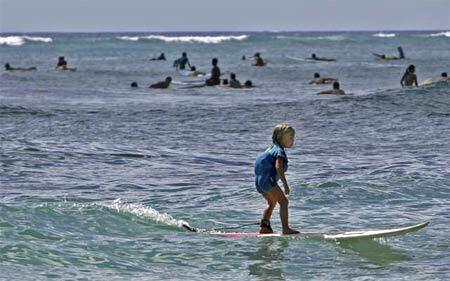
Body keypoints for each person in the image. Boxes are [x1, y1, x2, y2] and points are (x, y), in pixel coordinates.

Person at [254, 124, 299, 235]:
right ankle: (285, 228)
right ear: (280, 138)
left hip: (259, 182)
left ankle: (265, 226)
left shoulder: (270, 149)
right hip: (268, 181)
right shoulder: (279, 151)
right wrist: (285, 184)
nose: (293, 140)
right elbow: (278, 167)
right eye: (290, 138)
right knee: (284, 202)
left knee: (272, 202)